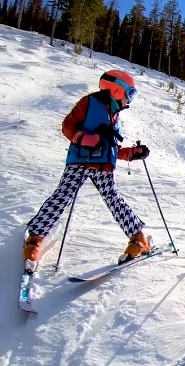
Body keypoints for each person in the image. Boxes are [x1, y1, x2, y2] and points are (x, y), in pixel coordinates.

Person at [23, 70, 151, 266]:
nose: (130, 100)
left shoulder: (114, 114)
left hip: (103, 165)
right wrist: (83, 138)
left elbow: (113, 148)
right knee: (63, 195)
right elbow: (68, 126)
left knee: (112, 198)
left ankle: (138, 238)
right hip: (80, 161)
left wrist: (132, 153)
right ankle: (34, 239)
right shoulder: (89, 102)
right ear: (117, 89)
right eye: (130, 93)